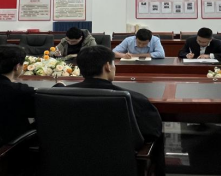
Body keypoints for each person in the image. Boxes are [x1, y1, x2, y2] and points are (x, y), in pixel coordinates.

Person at [57, 45, 165, 175]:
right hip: (117, 164)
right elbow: (153, 131)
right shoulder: (134, 99)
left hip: (67, 163)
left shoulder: (57, 96)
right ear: (108, 66)